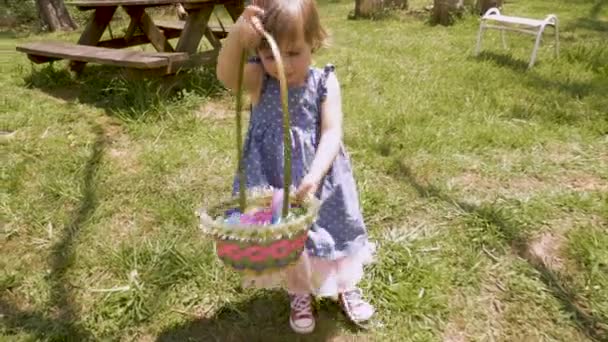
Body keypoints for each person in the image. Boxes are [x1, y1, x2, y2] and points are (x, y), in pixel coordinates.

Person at [216, 0, 375, 334]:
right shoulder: (261, 81)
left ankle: (346, 287)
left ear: (313, 42)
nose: (283, 65)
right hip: (275, 176)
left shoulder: (324, 82)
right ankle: (299, 292)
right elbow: (227, 77)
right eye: (271, 54)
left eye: (294, 53)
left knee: (335, 231)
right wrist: (237, 37)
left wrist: (315, 175)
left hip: (321, 176)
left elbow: (332, 132)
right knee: (289, 238)